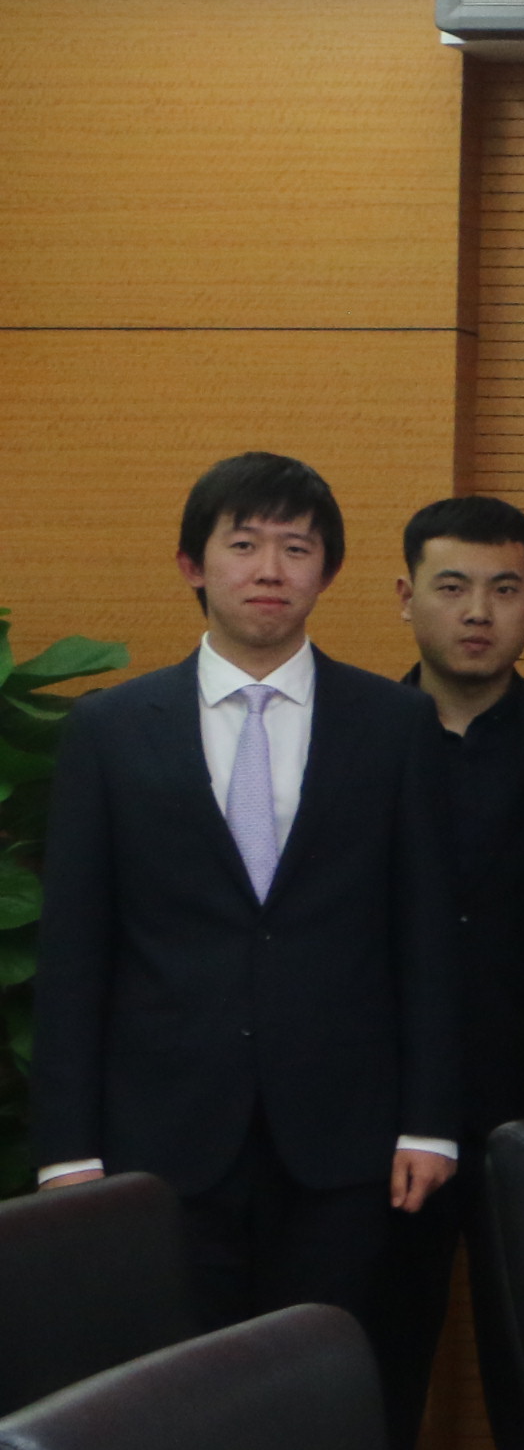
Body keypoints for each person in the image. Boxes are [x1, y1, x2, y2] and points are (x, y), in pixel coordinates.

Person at [34, 452, 457, 1342]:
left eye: (296, 549)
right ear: (193, 565)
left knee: (326, 1376)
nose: (270, 570)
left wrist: (429, 1125)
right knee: (172, 1392)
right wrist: (67, 1150)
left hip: (345, 1139)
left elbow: (424, 937)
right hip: (161, 1138)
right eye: (244, 545)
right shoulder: (110, 730)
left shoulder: (394, 724)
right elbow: (74, 953)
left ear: (326, 572)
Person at [369, 494, 524, 1450]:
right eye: (453, 586)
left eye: (504, 589)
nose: (478, 611)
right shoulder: (353, 739)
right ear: (406, 595)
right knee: (374, 1376)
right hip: (383, 1119)